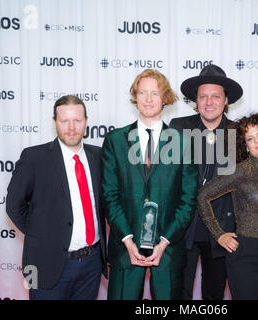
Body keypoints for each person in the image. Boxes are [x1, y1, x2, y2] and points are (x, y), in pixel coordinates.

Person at [101, 69, 198, 300]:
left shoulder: (183, 142)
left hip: (168, 250)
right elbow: (109, 195)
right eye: (142, 92)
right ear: (135, 96)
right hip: (125, 250)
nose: (147, 99)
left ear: (165, 98)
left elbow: (188, 199)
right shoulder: (115, 141)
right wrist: (127, 239)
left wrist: (164, 241)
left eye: (154, 93)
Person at [6, 95, 107, 300]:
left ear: (86, 121)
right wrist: (43, 236)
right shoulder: (34, 157)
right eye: (64, 121)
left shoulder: (99, 156)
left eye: (77, 120)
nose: (71, 127)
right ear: (54, 122)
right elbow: (14, 206)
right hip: (45, 263)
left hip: (92, 263)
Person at [197, 112, 258, 300]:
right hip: (245, 256)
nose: (257, 141)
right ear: (246, 146)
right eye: (250, 139)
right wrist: (219, 234)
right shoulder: (240, 171)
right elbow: (203, 196)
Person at [169, 64, 243, 300]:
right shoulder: (178, 128)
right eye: (203, 96)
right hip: (184, 229)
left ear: (225, 100)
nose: (209, 102)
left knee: (214, 295)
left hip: (222, 231)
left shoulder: (238, 133)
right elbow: (168, 179)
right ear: (195, 100)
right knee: (179, 293)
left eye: (215, 96)